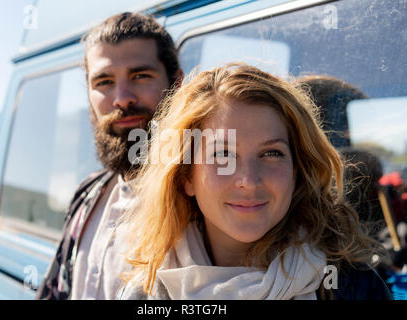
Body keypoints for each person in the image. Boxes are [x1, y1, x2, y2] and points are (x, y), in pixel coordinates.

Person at [112, 63, 392, 300]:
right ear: (186, 177)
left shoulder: (351, 286)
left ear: (297, 168)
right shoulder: (146, 293)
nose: (248, 180)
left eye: (271, 153)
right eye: (223, 155)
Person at [35, 12, 182, 300]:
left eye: (140, 76)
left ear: (176, 83)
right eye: (103, 82)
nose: (121, 98)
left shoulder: (205, 201)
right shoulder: (88, 195)